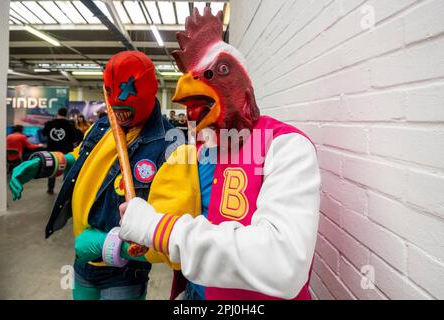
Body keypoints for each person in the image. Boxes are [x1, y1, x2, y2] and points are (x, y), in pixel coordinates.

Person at [118, 7, 320, 300]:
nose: (191, 82)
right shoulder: (199, 150)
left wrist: (156, 227)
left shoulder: (286, 146)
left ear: (244, 85)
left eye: (218, 71)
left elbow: (284, 265)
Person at [9, 51, 173, 300]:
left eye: (127, 98)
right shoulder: (105, 124)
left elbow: (172, 233)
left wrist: (110, 244)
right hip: (83, 261)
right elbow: (80, 156)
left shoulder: (170, 144)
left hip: (124, 273)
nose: (119, 111)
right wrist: (44, 163)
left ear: (149, 90)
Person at [42, 107, 78, 194]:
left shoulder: (50, 123)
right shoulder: (70, 124)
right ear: (66, 114)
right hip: (66, 150)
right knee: (67, 169)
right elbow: (74, 138)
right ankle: (65, 190)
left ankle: (50, 188)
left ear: (58, 113)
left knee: (52, 168)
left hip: (52, 149)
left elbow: (44, 133)